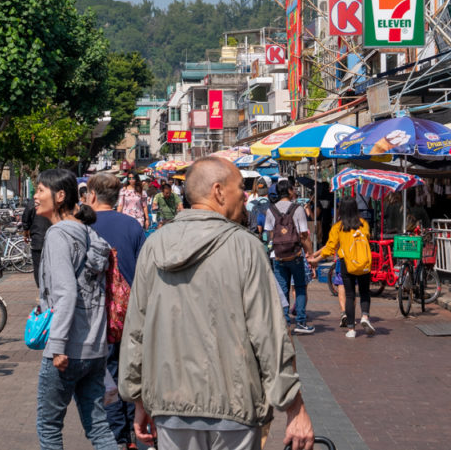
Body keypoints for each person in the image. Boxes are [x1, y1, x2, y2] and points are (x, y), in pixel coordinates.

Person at [119, 157, 315, 450]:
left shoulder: (155, 246)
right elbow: (269, 333)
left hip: (170, 405)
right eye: (240, 188)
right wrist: (294, 406)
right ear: (219, 191)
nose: (246, 195)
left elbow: (136, 328)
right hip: (234, 406)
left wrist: (138, 396)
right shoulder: (245, 246)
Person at [34, 169, 117, 450]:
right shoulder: (88, 232)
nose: (35, 197)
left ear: (60, 196)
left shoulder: (58, 235)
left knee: (49, 428)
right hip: (94, 349)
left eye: (40, 190)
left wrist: (57, 345)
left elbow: (66, 293)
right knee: (99, 428)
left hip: (66, 350)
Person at [87, 174, 146, 450]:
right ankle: (137, 431)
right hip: (131, 310)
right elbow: (144, 270)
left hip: (98, 312)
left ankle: (118, 436)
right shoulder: (133, 225)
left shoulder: (84, 226)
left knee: (106, 375)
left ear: (92, 195)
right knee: (132, 369)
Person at [312, 197, 375, 338]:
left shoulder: (338, 227)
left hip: (347, 263)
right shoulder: (363, 223)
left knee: (350, 294)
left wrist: (315, 259)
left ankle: (352, 329)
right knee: (365, 291)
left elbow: (329, 248)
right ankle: (365, 316)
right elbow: (367, 238)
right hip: (364, 262)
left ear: (341, 209)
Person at [265, 179, 315, 334]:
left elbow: (269, 234)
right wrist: (310, 254)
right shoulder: (297, 209)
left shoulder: (270, 210)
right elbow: (303, 234)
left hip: (278, 255)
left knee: (282, 288)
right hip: (295, 254)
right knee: (300, 287)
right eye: (293, 189)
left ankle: (285, 322)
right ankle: (300, 322)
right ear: (289, 191)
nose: (295, 192)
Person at [22, 195, 52, 287]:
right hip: (52, 240)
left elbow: (25, 219)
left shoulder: (32, 203)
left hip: (37, 240)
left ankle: (42, 288)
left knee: (38, 266)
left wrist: (26, 232)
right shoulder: (52, 200)